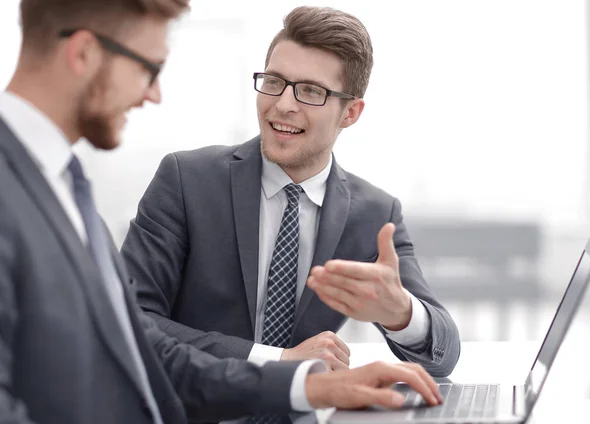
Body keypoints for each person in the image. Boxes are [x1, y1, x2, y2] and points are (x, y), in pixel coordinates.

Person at [0, 0, 444, 423]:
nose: (154, 94)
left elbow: (142, 346)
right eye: (148, 68)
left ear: (351, 113)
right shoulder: (170, 180)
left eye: (310, 91)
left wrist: (310, 386)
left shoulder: (65, 190)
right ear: (83, 54)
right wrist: (288, 367)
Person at [121, 6, 460, 378]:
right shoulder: (186, 181)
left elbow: (443, 355)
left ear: (350, 113)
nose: (283, 104)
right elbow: (130, 321)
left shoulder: (375, 214)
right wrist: (277, 362)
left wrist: (402, 313)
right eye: (273, 82)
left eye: (310, 91)